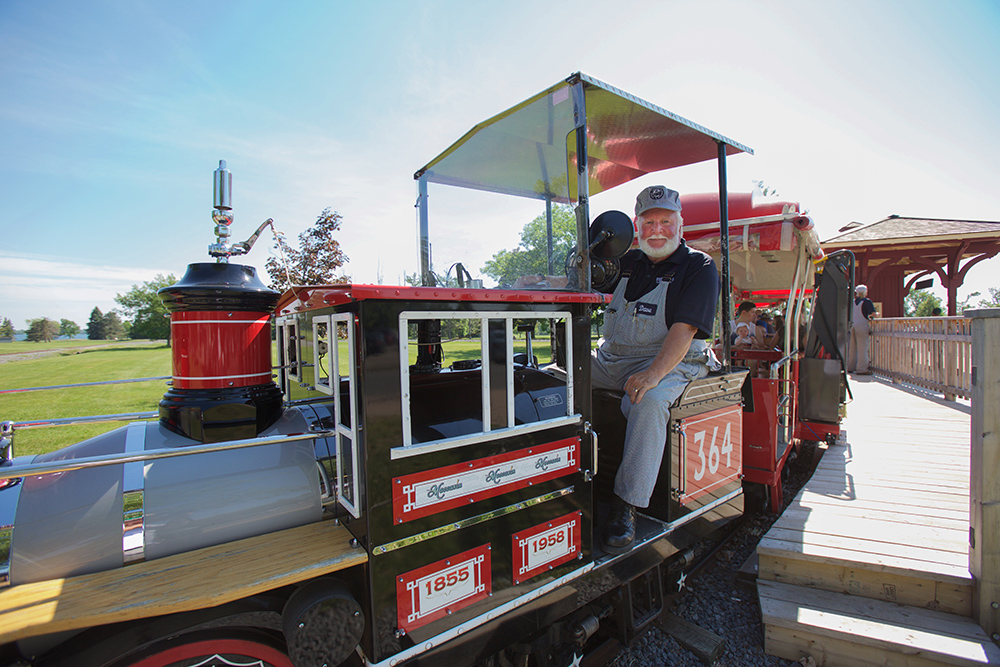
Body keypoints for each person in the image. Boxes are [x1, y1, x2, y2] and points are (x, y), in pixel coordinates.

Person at [591, 185, 720, 553]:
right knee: (559, 377)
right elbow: (584, 282)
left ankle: (626, 505)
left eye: (666, 221)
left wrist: (653, 374)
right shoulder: (626, 262)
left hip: (672, 361)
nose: (657, 230)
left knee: (648, 402)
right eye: (649, 223)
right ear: (637, 226)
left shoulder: (698, 266)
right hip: (614, 358)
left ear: (681, 225)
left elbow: (685, 329)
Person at [848, 284, 876, 374]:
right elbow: (873, 313)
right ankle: (862, 368)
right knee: (862, 347)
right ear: (865, 292)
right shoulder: (866, 301)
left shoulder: (852, 302)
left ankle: (850, 366)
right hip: (862, 325)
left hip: (852, 325)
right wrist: (876, 315)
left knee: (852, 348)